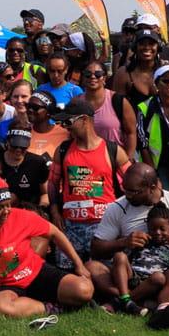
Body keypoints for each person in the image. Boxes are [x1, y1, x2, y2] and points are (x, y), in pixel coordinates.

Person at [0, 175, 94, 326]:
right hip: (2, 285)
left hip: (34, 272)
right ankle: (49, 307)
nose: (6, 211)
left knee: (84, 290)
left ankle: (37, 302)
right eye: (0, 207)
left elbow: (55, 233)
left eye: (8, 205)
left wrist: (79, 264)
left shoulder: (22, 217)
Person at [88, 163, 169, 317]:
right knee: (92, 267)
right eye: (125, 190)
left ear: (152, 187)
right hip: (133, 272)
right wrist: (123, 242)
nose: (127, 195)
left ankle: (155, 310)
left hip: (165, 275)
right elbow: (95, 249)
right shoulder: (118, 207)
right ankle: (138, 301)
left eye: (133, 192)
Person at [48, 101, 126, 280]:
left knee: (103, 271)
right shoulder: (63, 150)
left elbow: (132, 181)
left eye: (68, 123)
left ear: (84, 120)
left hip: (103, 225)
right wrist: (54, 210)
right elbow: (52, 183)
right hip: (70, 225)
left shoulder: (112, 150)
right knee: (66, 273)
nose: (66, 129)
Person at [0, 128, 51, 213]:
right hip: (4, 209)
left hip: (32, 210)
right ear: (7, 143)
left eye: (23, 147)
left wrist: (40, 211)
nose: (18, 150)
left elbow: (45, 193)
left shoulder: (37, 162)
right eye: (14, 146)